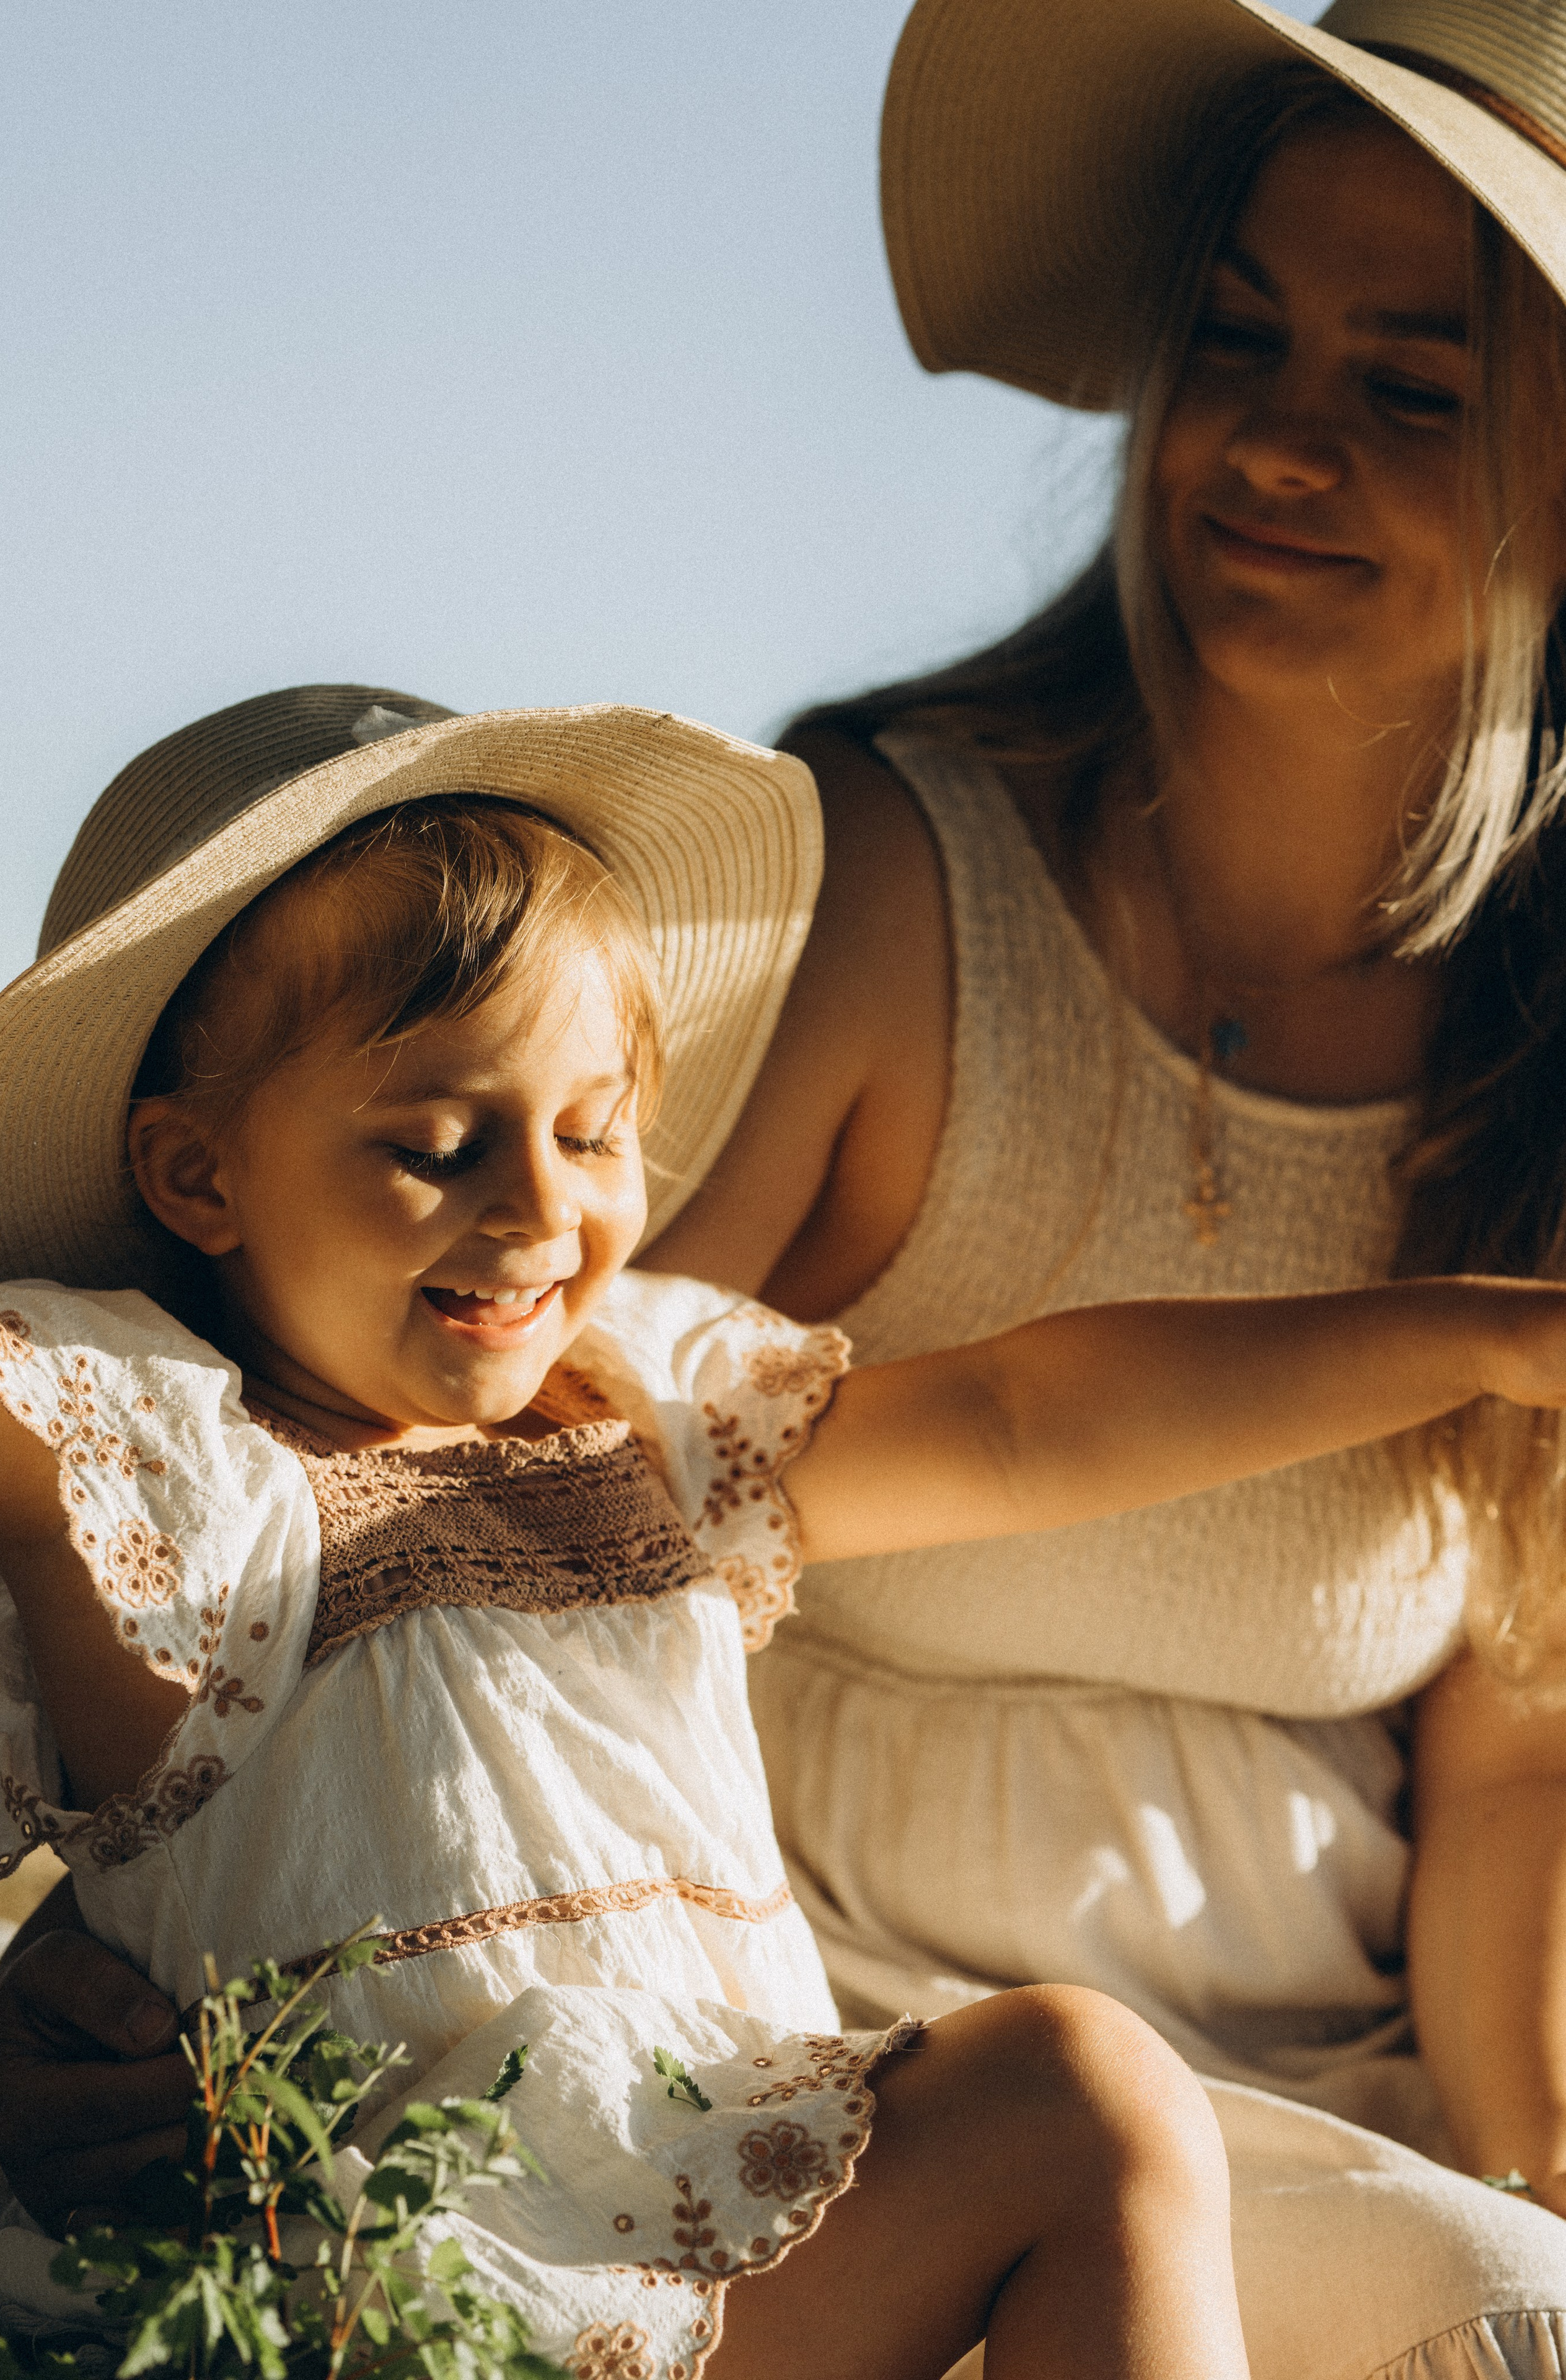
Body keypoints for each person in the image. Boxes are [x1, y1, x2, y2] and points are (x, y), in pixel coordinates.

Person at [0, 692, 1566, 2375]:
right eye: (435, 1144)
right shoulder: (151, 1461)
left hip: (730, 2254)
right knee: (1079, 2091)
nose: (540, 1205)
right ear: (194, 1176)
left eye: (595, 1130)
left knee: (1086, 2101)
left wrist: (1482, 1338)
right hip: (383, 2289)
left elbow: (1019, 1421)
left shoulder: (645, 1426)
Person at [651, 1, 1566, 2373]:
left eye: (1411, 387)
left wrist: (1535, 2139)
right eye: (1242, 337)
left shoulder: (1550, 1066)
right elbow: (557, 1471)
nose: (1274, 440)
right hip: (804, 2045)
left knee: (1511, 2302)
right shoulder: (886, 873)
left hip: (1325, 2103)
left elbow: (1514, 1740)